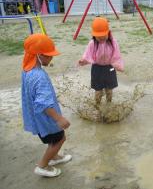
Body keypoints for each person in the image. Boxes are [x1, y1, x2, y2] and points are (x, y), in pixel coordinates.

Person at [21, 34, 71, 177]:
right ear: (38, 55)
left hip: (37, 117)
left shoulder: (27, 69)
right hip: (47, 118)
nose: (51, 58)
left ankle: (53, 157)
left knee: (53, 140)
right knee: (61, 138)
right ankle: (42, 165)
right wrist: (59, 119)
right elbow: (43, 103)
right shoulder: (39, 76)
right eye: (48, 55)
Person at [78, 17, 124, 104]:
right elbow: (88, 54)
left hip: (109, 68)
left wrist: (118, 66)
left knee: (109, 90)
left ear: (108, 32)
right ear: (94, 35)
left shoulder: (113, 42)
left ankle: (108, 105)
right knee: (98, 91)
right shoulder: (92, 43)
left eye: (104, 36)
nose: (101, 38)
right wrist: (83, 61)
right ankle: (98, 106)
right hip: (97, 69)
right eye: (99, 37)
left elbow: (117, 55)